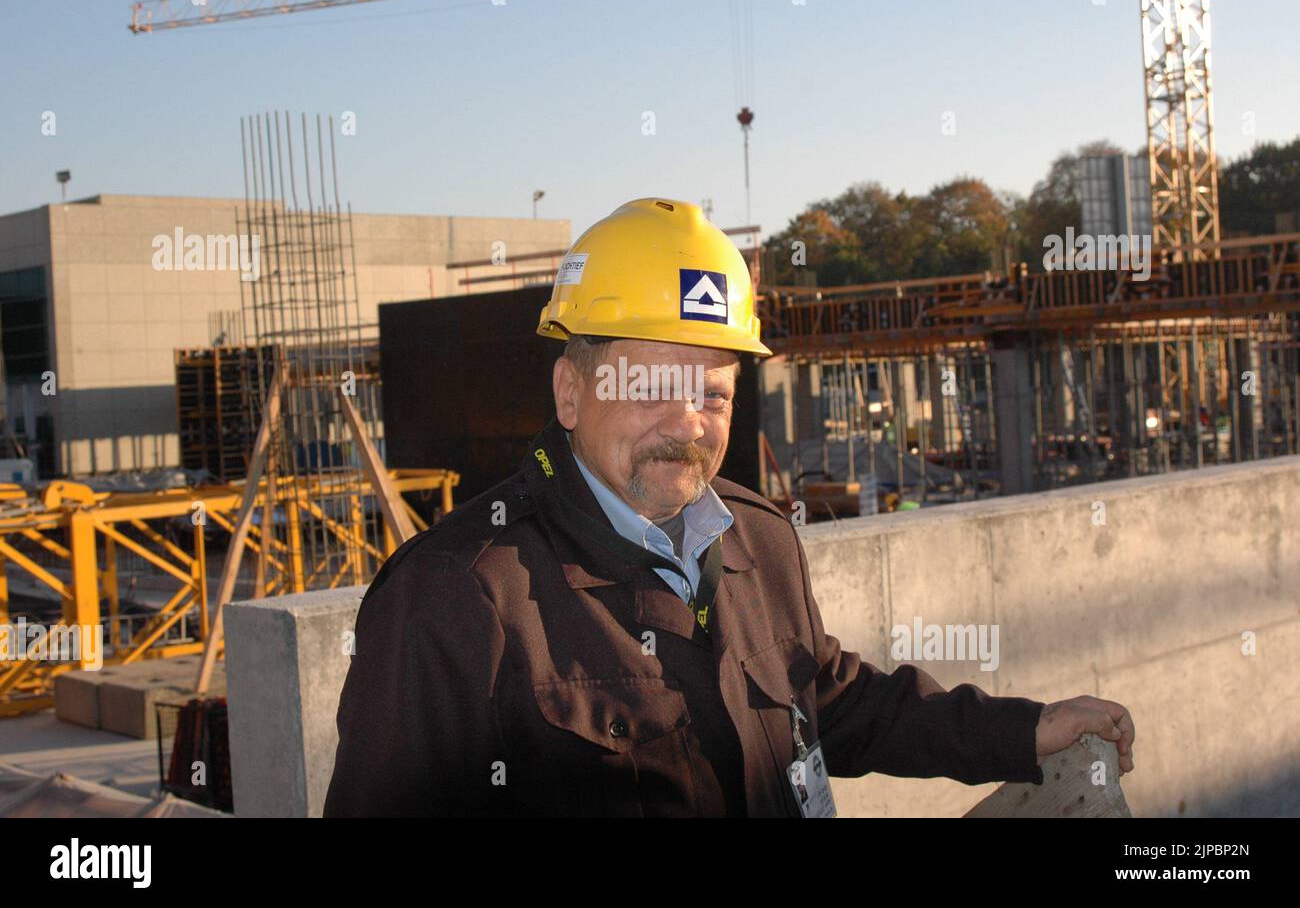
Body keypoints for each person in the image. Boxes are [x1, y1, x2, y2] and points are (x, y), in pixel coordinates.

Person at [323, 197, 1135, 817]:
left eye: (711, 392)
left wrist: (1020, 732)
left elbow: (829, 702)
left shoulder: (757, 537)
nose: (687, 423)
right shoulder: (457, 597)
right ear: (571, 391)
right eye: (651, 386)